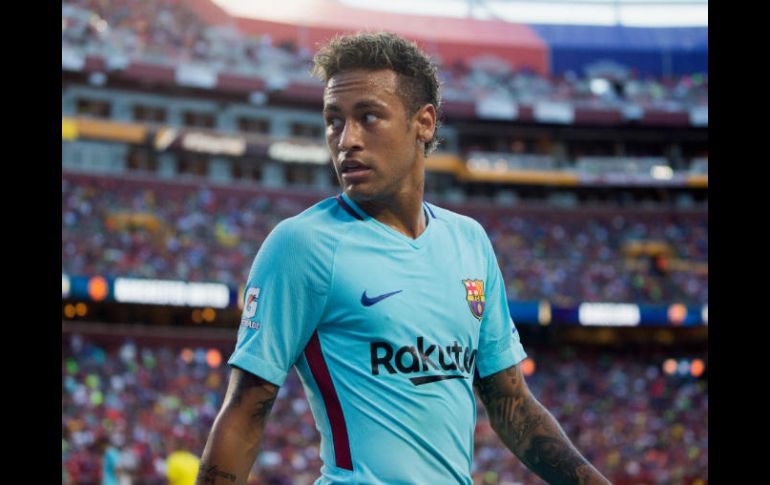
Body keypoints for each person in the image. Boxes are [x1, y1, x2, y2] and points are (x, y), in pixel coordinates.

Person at [197, 32, 611, 484]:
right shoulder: (302, 244)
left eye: (368, 117)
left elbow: (512, 406)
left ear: (424, 123)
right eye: (334, 121)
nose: (346, 139)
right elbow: (245, 412)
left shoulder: (469, 241)